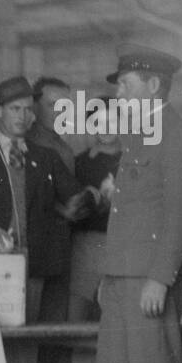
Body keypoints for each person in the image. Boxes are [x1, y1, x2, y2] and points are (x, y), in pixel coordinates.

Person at [70, 45, 182, 363]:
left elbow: (181, 214)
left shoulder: (176, 133)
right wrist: (108, 275)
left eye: (126, 84)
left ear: (154, 86)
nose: (119, 92)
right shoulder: (140, 134)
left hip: (149, 275)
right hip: (123, 272)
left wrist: (160, 279)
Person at [0, 75, 86, 363]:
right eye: (15, 109)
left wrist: (83, 202)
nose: (23, 116)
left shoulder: (47, 158)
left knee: (23, 349)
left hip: (34, 268)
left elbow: (75, 199)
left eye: (28, 109)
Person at [68, 102, 123, 322]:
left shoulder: (135, 160)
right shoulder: (78, 163)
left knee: (118, 316)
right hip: (86, 247)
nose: (107, 127)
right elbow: (72, 212)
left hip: (124, 246)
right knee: (77, 315)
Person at [29, 76, 78, 174]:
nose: (60, 112)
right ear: (35, 107)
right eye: (52, 105)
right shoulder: (21, 145)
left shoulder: (65, 150)